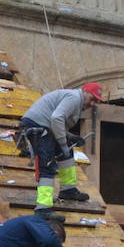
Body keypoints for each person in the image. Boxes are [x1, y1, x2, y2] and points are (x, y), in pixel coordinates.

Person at [17, 82, 105, 211]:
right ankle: (43, 208)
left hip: (44, 125)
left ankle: (68, 189)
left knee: (67, 153)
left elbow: (58, 122)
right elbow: (57, 118)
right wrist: (63, 142)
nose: (92, 104)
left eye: (96, 101)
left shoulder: (76, 100)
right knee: (47, 165)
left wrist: (69, 137)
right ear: (84, 92)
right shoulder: (74, 98)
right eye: (92, 99)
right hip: (38, 126)